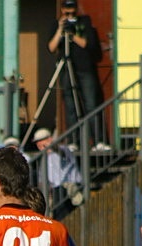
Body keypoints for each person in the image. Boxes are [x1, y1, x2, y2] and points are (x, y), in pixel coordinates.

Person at [47, 0, 102, 143]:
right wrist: (60, 30)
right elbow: (51, 48)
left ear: (76, 9)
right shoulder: (56, 24)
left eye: (72, 11)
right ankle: (73, 141)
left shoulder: (85, 22)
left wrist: (72, 35)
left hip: (84, 68)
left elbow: (88, 44)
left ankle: (98, 140)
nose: (69, 14)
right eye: (66, 11)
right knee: (70, 106)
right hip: (66, 68)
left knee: (91, 104)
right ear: (62, 10)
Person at [32, 128, 83, 213]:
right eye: (36, 142)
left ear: (49, 139)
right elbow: (42, 180)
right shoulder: (44, 159)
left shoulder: (63, 150)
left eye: (41, 140)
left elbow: (61, 152)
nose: (39, 144)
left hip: (71, 187)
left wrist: (52, 146)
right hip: (55, 191)